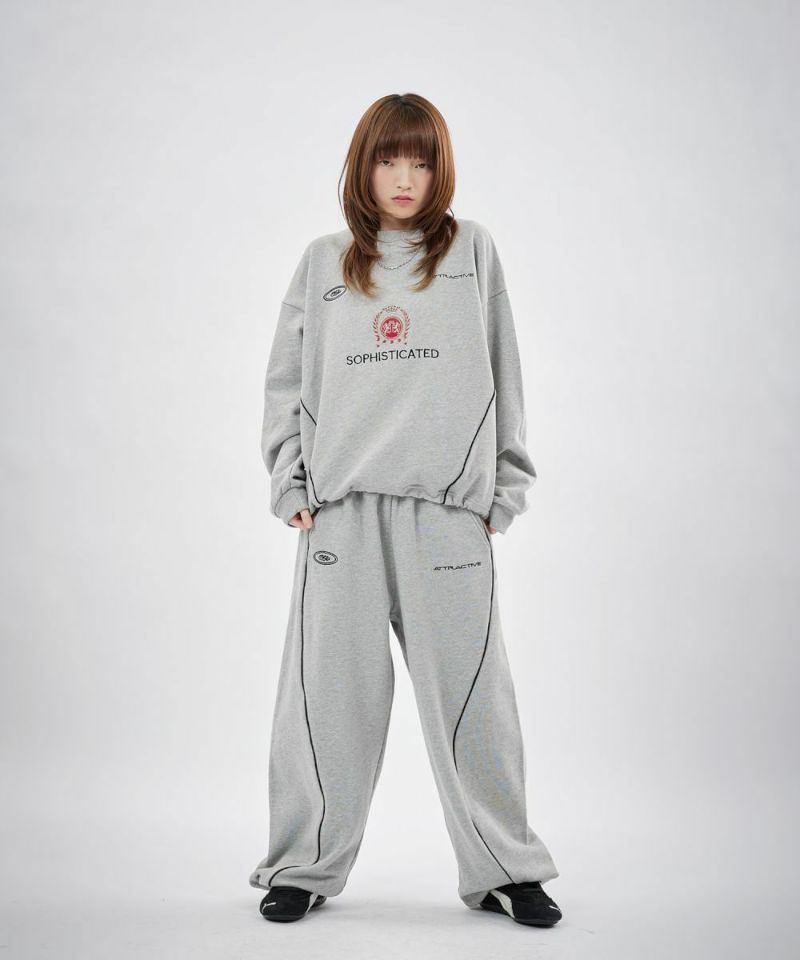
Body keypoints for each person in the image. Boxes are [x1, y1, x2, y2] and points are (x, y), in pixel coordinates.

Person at [248, 92, 563, 928]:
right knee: (325, 703)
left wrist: (504, 490)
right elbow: (284, 382)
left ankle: (506, 869)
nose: (404, 177)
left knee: (474, 702)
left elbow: (504, 366)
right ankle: (303, 867)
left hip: (447, 515)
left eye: (420, 161)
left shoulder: (471, 251)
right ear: (364, 166)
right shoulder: (323, 262)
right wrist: (290, 484)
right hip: (341, 517)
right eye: (389, 159)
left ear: (439, 170)